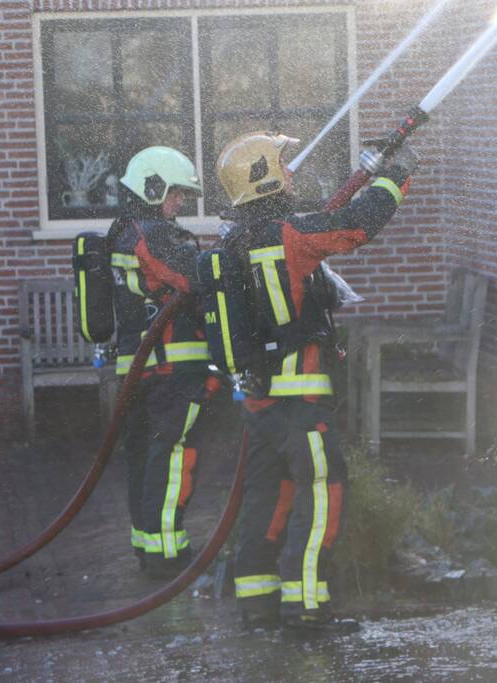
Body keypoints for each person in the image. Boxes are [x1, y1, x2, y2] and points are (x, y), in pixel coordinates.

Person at [215, 132, 414, 633]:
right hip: (300, 400)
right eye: (282, 164)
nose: (291, 172)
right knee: (322, 493)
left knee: (268, 498)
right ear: (264, 177)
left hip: (259, 404)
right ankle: (306, 607)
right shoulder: (287, 235)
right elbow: (357, 225)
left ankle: (258, 602)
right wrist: (395, 174)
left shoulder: (234, 241)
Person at [109, 146, 219, 579]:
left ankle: (148, 545)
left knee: (144, 456)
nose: (179, 203)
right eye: (174, 193)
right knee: (173, 456)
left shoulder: (123, 231)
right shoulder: (154, 235)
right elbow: (195, 279)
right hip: (172, 371)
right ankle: (167, 555)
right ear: (151, 187)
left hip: (139, 370)